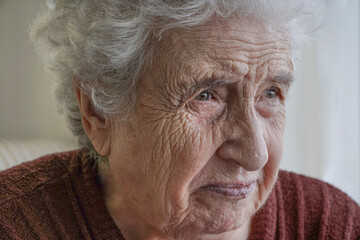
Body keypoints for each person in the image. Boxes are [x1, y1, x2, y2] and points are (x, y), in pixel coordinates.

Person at [0, 1, 359, 239]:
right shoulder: (15, 224)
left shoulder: (330, 225)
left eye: (270, 93)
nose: (256, 154)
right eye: (206, 95)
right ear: (98, 112)